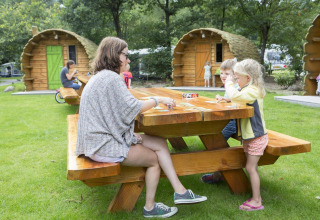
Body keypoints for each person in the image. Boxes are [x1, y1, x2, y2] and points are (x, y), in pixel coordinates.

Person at [76, 36, 207, 218]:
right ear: (115, 55)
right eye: (126, 55)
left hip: (97, 140)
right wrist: (158, 100)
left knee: (160, 142)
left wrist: (133, 134)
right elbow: (132, 107)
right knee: (154, 159)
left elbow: (122, 108)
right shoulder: (112, 78)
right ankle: (150, 207)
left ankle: (181, 191)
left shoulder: (102, 76)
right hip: (103, 145)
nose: (129, 60)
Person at [225, 59, 267, 211]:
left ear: (248, 78)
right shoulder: (249, 89)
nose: (235, 80)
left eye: (237, 77)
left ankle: (257, 201)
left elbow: (236, 96)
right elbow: (238, 98)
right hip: (251, 136)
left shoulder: (253, 90)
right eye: (234, 77)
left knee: (251, 168)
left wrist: (228, 83)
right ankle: (256, 198)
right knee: (250, 167)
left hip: (256, 137)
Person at [201, 59, 238, 184]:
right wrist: (224, 99)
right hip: (227, 120)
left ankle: (219, 173)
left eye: (227, 74)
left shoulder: (236, 86)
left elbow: (237, 100)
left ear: (235, 75)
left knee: (216, 143)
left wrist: (228, 99)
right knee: (212, 137)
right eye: (222, 73)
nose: (223, 76)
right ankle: (218, 173)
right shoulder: (230, 86)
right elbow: (231, 99)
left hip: (234, 123)